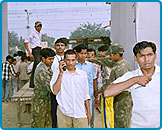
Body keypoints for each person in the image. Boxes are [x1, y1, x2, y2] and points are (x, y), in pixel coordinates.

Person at [104, 41, 160, 128]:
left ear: (155, 55)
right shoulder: (131, 76)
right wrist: (135, 80)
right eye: (142, 56)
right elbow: (107, 92)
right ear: (135, 58)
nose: (146, 59)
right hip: (137, 126)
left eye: (149, 55)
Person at [50, 49, 91, 128]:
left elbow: (86, 95)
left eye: (73, 60)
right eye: (68, 60)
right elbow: (55, 91)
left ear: (76, 60)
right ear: (64, 60)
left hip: (80, 112)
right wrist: (61, 73)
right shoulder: (57, 74)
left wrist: (88, 112)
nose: (70, 63)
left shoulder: (82, 74)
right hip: (64, 112)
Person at [100, 43, 132, 128]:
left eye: (111, 55)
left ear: (117, 55)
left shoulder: (121, 68)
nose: (109, 57)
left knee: (121, 123)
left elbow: (113, 84)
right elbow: (105, 61)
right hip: (120, 98)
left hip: (122, 100)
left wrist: (100, 90)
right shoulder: (122, 63)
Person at [74, 44, 97, 128]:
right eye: (81, 53)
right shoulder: (73, 65)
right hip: (76, 96)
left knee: (89, 116)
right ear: (76, 53)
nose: (83, 56)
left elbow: (94, 80)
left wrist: (95, 94)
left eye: (85, 53)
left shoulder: (90, 65)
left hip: (89, 95)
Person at [32, 48, 55, 128]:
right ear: (43, 58)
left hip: (46, 98)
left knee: (47, 122)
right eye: (50, 59)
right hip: (40, 100)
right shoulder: (41, 70)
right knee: (39, 123)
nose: (52, 61)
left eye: (53, 59)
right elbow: (50, 86)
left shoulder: (47, 67)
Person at [50, 37, 68, 128]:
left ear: (65, 47)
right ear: (55, 47)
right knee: (54, 114)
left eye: (62, 45)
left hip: (66, 90)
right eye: (58, 45)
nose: (60, 47)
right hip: (55, 89)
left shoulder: (68, 59)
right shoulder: (52, 60)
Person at [24, 21, 43, 88]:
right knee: (37, 65)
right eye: (38, 26)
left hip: (39, 49)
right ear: (35, 27)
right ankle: (32, 83)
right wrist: (29, 53)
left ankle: (36, 83)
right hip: (35, 50)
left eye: (40, 26)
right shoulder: (32, 33)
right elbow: (26, 42)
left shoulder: (39, 34)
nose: (39, 27)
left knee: (39, 66)